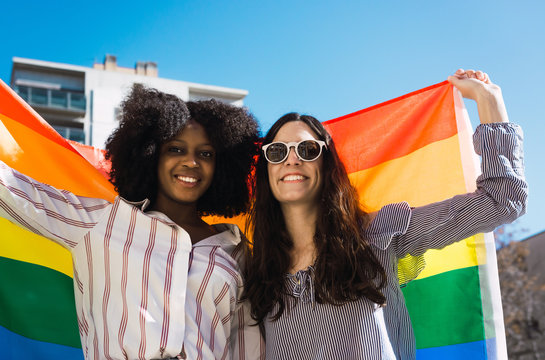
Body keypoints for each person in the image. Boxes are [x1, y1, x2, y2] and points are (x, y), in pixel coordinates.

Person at [242, 69, 528, 359]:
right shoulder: (254, 270)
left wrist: (488, 100)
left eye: (307, 149)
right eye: (277, 151)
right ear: (266, 170)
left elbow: (502, 199)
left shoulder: (378, 234)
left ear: (326, 164)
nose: (292, 159)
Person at [0, 84, 264, 359]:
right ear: (151, 155)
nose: (191, 162)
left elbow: (249, 348)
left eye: (205, 154)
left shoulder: (237, 252)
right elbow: (10, 190)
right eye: (175, 149)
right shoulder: (101, 222)